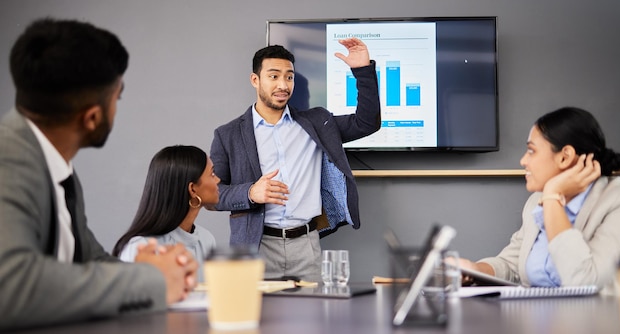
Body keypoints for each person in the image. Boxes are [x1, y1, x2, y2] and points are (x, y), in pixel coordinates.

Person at [0, 18, 197, 330]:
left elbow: (90, 260)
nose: (117, 108)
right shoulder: (8, 160)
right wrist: (151, 280)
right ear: (92, 117)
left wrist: (161, 271)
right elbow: (11, 286)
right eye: (116, 98)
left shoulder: (55, 165)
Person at [210, 38, 381, 282]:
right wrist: (250, 193)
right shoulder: (228, 134)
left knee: (310, 319)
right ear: (255, 80)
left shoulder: (317, 122)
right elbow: (212, 195)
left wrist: (362, 72)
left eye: (289, 77)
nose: (283, 84)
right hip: (255, 247)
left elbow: (366, 123)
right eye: (274, 76)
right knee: (257, 319)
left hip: (306, 245)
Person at [459, 107, 620, 294]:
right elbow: (511, 265)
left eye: (531, 151)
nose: (523, 161)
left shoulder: (619, 199)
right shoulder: (536, 201)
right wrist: (474, 270)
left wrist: (552, 196)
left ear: (565, 157)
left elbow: (584, 281)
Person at [113, 145, 220, 281]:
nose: (218, 180)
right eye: (212, 174)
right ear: (192, 189)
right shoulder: (139, 249)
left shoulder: (207, 240)